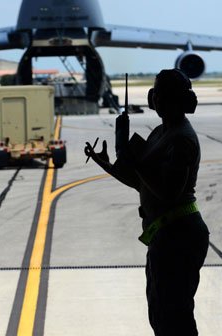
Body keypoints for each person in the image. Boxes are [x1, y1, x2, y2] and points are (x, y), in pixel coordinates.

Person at [84, 69, 210, 336]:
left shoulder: (182, 139)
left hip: (180, 237)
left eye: (164, 95)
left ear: (180, 100)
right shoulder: (160, 133)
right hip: (164, 236)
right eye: (157, 94)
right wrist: (109, 164)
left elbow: (169, 191)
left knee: (175, 319)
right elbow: (141, 182)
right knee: (160, 315)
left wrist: (133, 158)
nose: (158, 100)